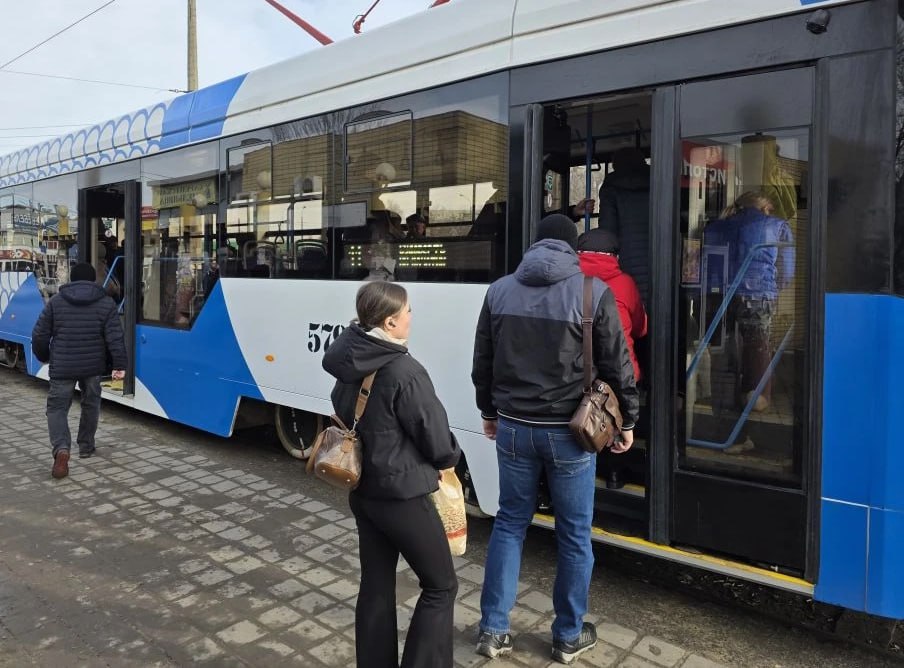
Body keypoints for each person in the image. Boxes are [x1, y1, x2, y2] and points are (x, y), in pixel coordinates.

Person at [471, 214, 639, 664]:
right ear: (572, 248)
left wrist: (488, 412)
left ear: (536, 244)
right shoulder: (593, 292)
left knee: (509, 523)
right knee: (574, 534)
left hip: (513, 427)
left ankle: (493, 630)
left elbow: (483, 361)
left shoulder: (499, 290)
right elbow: (618, 364)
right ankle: (567, 635)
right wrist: (627, 421)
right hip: (571, 433)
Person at [322, 281, 461, 668]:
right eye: (407, 311)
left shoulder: (349, 357)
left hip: (364, 492)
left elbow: (340, 405)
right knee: (441, 586)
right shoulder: (405, 371)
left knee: (376, 584)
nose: (411, 317)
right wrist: (450, 457)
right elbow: (435, 438)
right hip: (402, 497)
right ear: (390, 322)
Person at [31, 262, 127, 480]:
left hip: (63, 366)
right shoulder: (106, 303)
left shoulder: (56, 302)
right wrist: (119, 365)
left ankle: (61, 450)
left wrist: (44, 356)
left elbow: (39, 335)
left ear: (71, 279)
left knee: (57, 408)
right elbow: (115, 337)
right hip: (92, 366)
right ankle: (86, 446)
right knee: (91, 404)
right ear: (94, 280)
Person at [703, 191, 794, 413]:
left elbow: (707, 263)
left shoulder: (716, 227)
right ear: (764, 207)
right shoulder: (778, 226)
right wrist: (773, 288)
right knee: (757, 346)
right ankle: (756, 396)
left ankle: (724, 399)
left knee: (724, 348)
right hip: (758, 295)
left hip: (719, 295)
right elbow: (787, 271)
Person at [576, 228, 648, 382]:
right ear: (615, 257)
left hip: (577, 376)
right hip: (621, 374)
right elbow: (641, 329)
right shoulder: (625, 283)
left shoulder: (567, 282)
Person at [597, 147, 651, 307]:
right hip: (661, 258)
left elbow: (607, 232)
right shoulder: (658, 178)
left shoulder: (611, 186)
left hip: (628, 261)